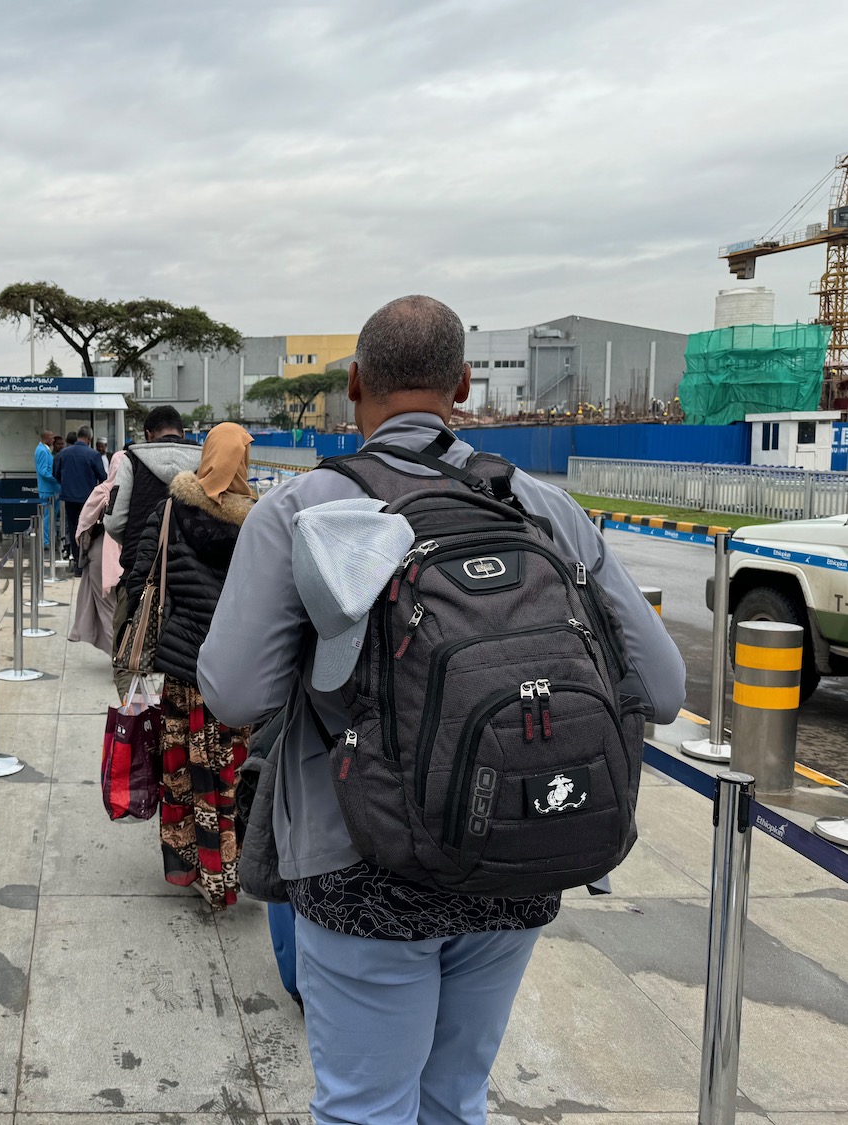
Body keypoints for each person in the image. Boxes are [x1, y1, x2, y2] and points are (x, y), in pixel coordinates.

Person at [197, 296, 686, 1125]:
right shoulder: (541, 505)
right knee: (455, 1099)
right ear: (462, 384)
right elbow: (665, 686)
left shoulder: (302, 509)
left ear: (354, 385)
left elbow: (236, 693)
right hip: (516, 850)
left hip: (358, 864)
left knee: (364, 1105)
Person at [127, 422, 256, 908]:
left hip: (182, 672)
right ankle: (227, 872)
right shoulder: (259, 524)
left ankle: (189, 866)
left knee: (181, 769)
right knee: (228, 774)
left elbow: (139, 576)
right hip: (235, 676)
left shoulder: (169, 511)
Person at [104, 405, 202, 680]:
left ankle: (136, 718)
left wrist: (139, 542)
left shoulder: (131, 459)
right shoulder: (205, 460)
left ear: (148, 434)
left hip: (139, 572)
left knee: (129, 659)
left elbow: (113, 521)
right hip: (193, 578)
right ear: (182, 433)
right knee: (185, 668)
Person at [68, 450, 125, 654]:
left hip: (102, 556)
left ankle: (119, 661)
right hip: (130, 557)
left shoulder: (103, 490)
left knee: (108, 609)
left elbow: (83, 523)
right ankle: (125, 656)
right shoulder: (137, 492)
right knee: (123, 609)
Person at [54, 426, 107, 574]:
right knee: (87, 528)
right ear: (89, 439)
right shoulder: (94, 455)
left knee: (73, 528)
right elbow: (103, 477)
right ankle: (86, 561)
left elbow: (56, 474)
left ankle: (77, 563)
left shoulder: (63, 453)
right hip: (88, 499)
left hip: (69, 497)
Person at [34, 429, 57, 546]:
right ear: (47, 438)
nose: (53, 440)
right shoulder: (42, 451)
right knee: (47, 517)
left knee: (50, 517)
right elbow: (43, 471)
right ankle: (46, 542)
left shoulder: (44, 450)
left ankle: (49, 539)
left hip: (50, 489)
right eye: (52, 437)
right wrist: (56, 479)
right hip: (47, 489)